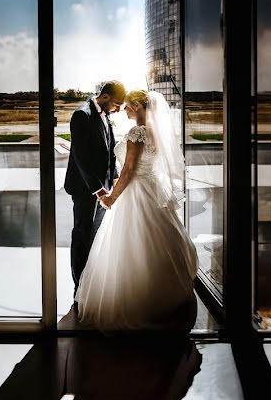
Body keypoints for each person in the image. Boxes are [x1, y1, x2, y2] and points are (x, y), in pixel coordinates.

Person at [75, 89, 198, 330]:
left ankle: (139, 301)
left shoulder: (137, 132)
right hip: (149, 188)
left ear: (139, 106)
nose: (125, 110)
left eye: (129, 106)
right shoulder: (153, 130)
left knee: (131, 244)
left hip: (135, 190)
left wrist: (112, 198)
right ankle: (164, 292)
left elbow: (129, 170)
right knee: (156, 240)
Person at [63, 80, 127, 296]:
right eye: (117, 104)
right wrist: (99, 191)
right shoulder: (82, 115)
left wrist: (115, 178)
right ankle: (79, 287)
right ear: (106, 97)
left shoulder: (105, 116)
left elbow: (109, 152)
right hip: (86, 191)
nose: (118, 109)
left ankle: (91, 282)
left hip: (104, 190)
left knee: (95, 237)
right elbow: (81, 159)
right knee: (82, 236)